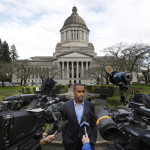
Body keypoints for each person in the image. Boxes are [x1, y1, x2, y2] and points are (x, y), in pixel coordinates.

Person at [62, 83, 97, 150]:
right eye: (79, 91)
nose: (81, 94)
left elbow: (93, 123)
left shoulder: (90, 105)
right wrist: (65, 139)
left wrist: (93, 139)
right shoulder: (66, 105)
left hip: (87, 141)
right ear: (73, 92)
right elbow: (64, 124)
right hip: (71, 142)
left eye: (83, 91)